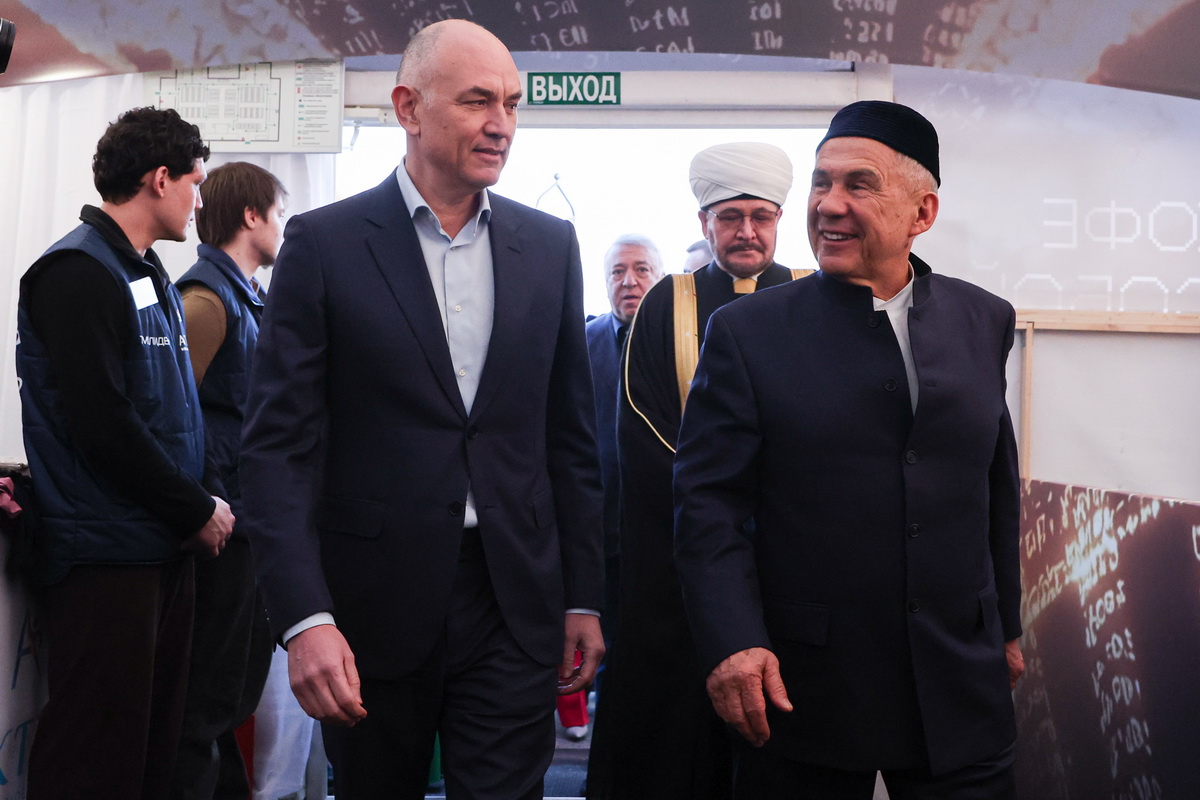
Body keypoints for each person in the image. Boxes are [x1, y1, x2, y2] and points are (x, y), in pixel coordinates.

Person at [238, 19, 605, 800]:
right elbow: (276, 450)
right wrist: (304, 618)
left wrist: (583, 594)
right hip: (369, 607)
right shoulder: (326, 245)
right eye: (477, 101)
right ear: (408, 107)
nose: (501, 124)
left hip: (512, 599)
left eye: (511, 103)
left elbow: (569, 440)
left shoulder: (550, 247)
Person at [673, 100, 1025, 799]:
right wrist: (734, 640)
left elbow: (993, 481)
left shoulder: (983, 318)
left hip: (959, 676)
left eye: (859, 185)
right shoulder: (748, 332)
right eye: (821, 183)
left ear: (922, 213)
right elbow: (707, 504)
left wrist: (1006, 628)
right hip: (803, 685)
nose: (829, 205)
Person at [15, 106, 233, 800]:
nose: (199, 200)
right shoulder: (76, 271)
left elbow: (167, 415)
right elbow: (102, 425)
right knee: (94, 759)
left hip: (157, 548)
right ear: (160, 179)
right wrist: (193, 507)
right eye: (195, 182)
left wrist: (194, 507)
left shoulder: (147, 272)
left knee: (148, 756)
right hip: (106, 558)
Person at [587, 142, 808, 800]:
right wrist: (722, 509)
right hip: (683, 566)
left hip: (789, 562)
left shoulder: (814, 296)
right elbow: (642, 425)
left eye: (761, 217)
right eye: (730, 217)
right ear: (705, 222)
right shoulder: (666, 303)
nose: (747, 232)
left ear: (779, 220)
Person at [170, 161, 285, 800]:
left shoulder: (247, 298)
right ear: (250, 215)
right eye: (278, 214)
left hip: (246, 523)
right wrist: (198, 507)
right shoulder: (207, 301)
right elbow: (167, 417)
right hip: (218, 529)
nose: (282, 227)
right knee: (206, 703)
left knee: (232, 697)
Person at [566, 234, 664, 742]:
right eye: (617, 272)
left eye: (642, 270)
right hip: (599, 536)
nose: (629, 281)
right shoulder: (582, 343)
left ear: (661, 278)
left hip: (667, 536)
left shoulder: (687, 339)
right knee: (604, 658)